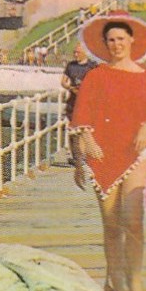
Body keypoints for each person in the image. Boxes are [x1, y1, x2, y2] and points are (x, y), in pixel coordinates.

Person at [69, 14, 146, 291]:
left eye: (121, 39)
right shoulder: (95, 76)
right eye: (111, 40)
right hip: (102, 153)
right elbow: (82, 117)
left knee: (133, 220)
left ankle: (136, 284)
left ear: (131, 41)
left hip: (136, 153)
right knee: (112, 224)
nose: (116, 45)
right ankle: (118, 287)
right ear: (105, 44)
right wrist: (85, 146)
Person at [60, 43, 96, 189]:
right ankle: (76, 158)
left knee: (85, 130)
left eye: (78, 52)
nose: (75, 54)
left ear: (85, 53)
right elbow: (63, 81)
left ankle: (83, 156)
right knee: (72, 131)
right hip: (73, 102)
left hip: (88, 103)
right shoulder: (70, 66)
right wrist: (70, 88)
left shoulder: (93, 66)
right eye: (74, 52)